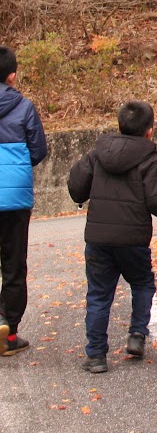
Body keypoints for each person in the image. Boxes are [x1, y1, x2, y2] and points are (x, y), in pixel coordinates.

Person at [68, 101, 157, 373]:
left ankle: (96, 355)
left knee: (99, 294)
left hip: (98, 238)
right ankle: (136, 335)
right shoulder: (150, 158)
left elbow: (76, 187)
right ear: (150, 130)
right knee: (143, 283)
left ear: (120, 125)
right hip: (133, 240)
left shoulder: (98, 153)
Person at [0, 45, 48, 356]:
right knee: (14, 266)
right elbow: (39, 150)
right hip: (14, 198)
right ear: (13, 75)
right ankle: (8, 332)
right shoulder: (24, 106)